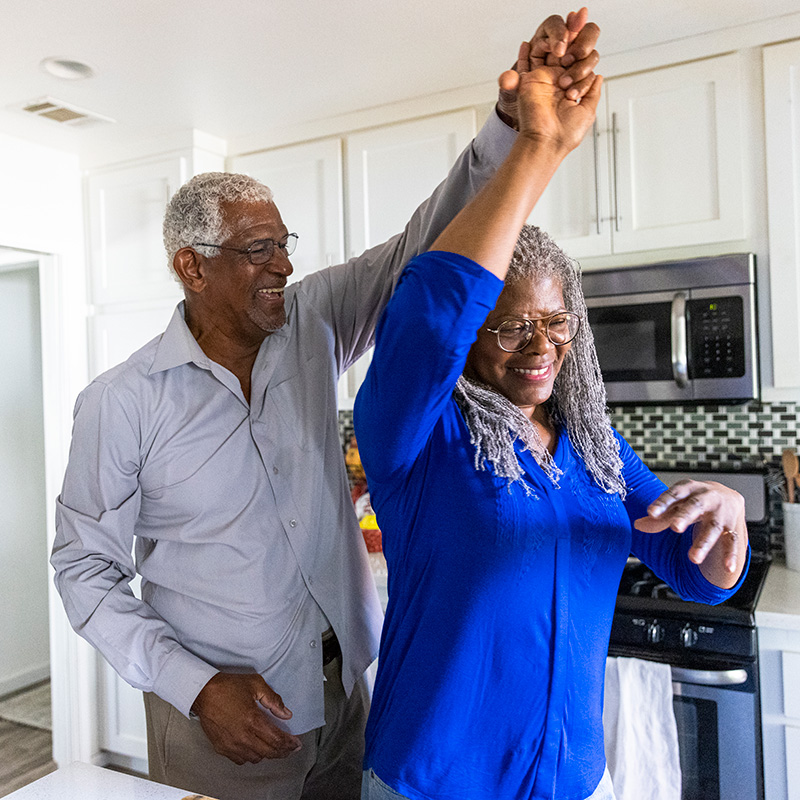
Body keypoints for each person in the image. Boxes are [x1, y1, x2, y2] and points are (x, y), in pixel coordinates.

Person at [49, 11, 601, 800]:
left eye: (284, 243)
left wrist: (509, 126)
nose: (282, 266)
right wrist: (196, 687)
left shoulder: (311, 323)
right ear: (191, 267)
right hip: (221, 722)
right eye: (257, 251)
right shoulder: (121, 402)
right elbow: (82, 569)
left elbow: (421, 245)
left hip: (346, 698)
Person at [353, 29, 749, 800]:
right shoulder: (417, 438)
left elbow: (695, 574)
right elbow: (431, 311)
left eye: (558, 323)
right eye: (509, 326)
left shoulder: (595, 449)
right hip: (437, 783)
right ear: (469, 341)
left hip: (571, 780)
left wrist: (725, 526)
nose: (541, 348)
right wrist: (538, 145)